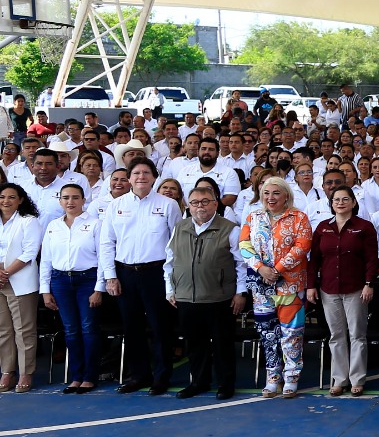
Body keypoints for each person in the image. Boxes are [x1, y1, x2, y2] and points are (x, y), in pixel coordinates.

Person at [99, 157, 180, 394]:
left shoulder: (168, 205)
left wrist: (170, 279)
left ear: (154, 177)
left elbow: (176, 245)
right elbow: (107, 243)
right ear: (129, 178)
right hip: (125, 273)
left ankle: (161, 376)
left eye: (146, 172)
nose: (141, 177)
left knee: (160, 327)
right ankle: (139, 375)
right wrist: (110, 276)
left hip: (157, 272)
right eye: (136, 173)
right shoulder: (116, 205)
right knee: (131, 328)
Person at [163, 186, 248, 399]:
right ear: (188, 205)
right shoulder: (179, 228)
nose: (199, 206)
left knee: (222, 344)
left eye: (205, 201)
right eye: (194, 202)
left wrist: (240, 293)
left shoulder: (230, 229)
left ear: (215, 203)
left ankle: (226, 384)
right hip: (186, 297)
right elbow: (169, 262)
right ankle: (199, 383)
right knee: (194, 345)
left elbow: (242, 265)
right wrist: (170, 289)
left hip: (219, 297)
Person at [239, 177, 313, 398]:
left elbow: (303, 245)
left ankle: (291, 377)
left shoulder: (299, 217)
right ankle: (273, 377)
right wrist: (262, 269)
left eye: (276, 193)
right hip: (261, 287)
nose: (270, 198)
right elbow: (244, 245)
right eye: (266, 193)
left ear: (286, 196)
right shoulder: (253, 217)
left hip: (291, 286)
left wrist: (277, 269)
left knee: (292, 333)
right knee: (267, 333)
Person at [307, 185, 379, 397]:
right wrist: (311, 285)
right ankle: (339, 379)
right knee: (336, 335)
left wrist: (369, 283)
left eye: (345, 199)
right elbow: (314, 260)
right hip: (329, 289)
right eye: (336, 199)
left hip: (356, 288)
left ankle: (357, 379)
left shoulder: (364, 227)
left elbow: (371, 259)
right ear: (331, 204)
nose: (340, 203)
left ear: (353, 202)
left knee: (357, 335)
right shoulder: (322, 228)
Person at [41, 184, 104, 393]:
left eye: (75, 197)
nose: (70, 201)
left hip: (87, 279)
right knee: (70, 330)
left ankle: (90, 376)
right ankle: (76, 376)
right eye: (66, 197)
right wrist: (45, 290)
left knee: (88, 328)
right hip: (60, 281)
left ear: (83, 200)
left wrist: (99, 288)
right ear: (60, 201)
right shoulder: (52, 226)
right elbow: (46, 261)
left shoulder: (95, 224)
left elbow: (103, 257)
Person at [0, 184, 42, 392]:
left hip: (18, 276)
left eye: (11, 197)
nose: (5, 201)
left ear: (21, 200)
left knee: (23, 329)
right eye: (2, 197)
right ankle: (7, 371)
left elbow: (30, 251)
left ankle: (26, 372)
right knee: (3, 329)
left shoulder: (29, 221)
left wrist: (6, 272)